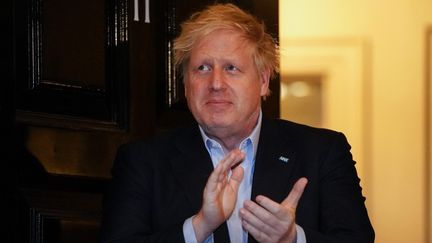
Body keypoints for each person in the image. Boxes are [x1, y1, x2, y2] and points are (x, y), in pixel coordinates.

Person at [100, 3, 374, 243]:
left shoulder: (323, 152)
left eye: (231, 68)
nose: (216, 84)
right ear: (185, 85)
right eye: (202, 68)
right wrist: (198, 228)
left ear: (264, 81)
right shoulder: (142, 161)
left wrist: (292, 239)